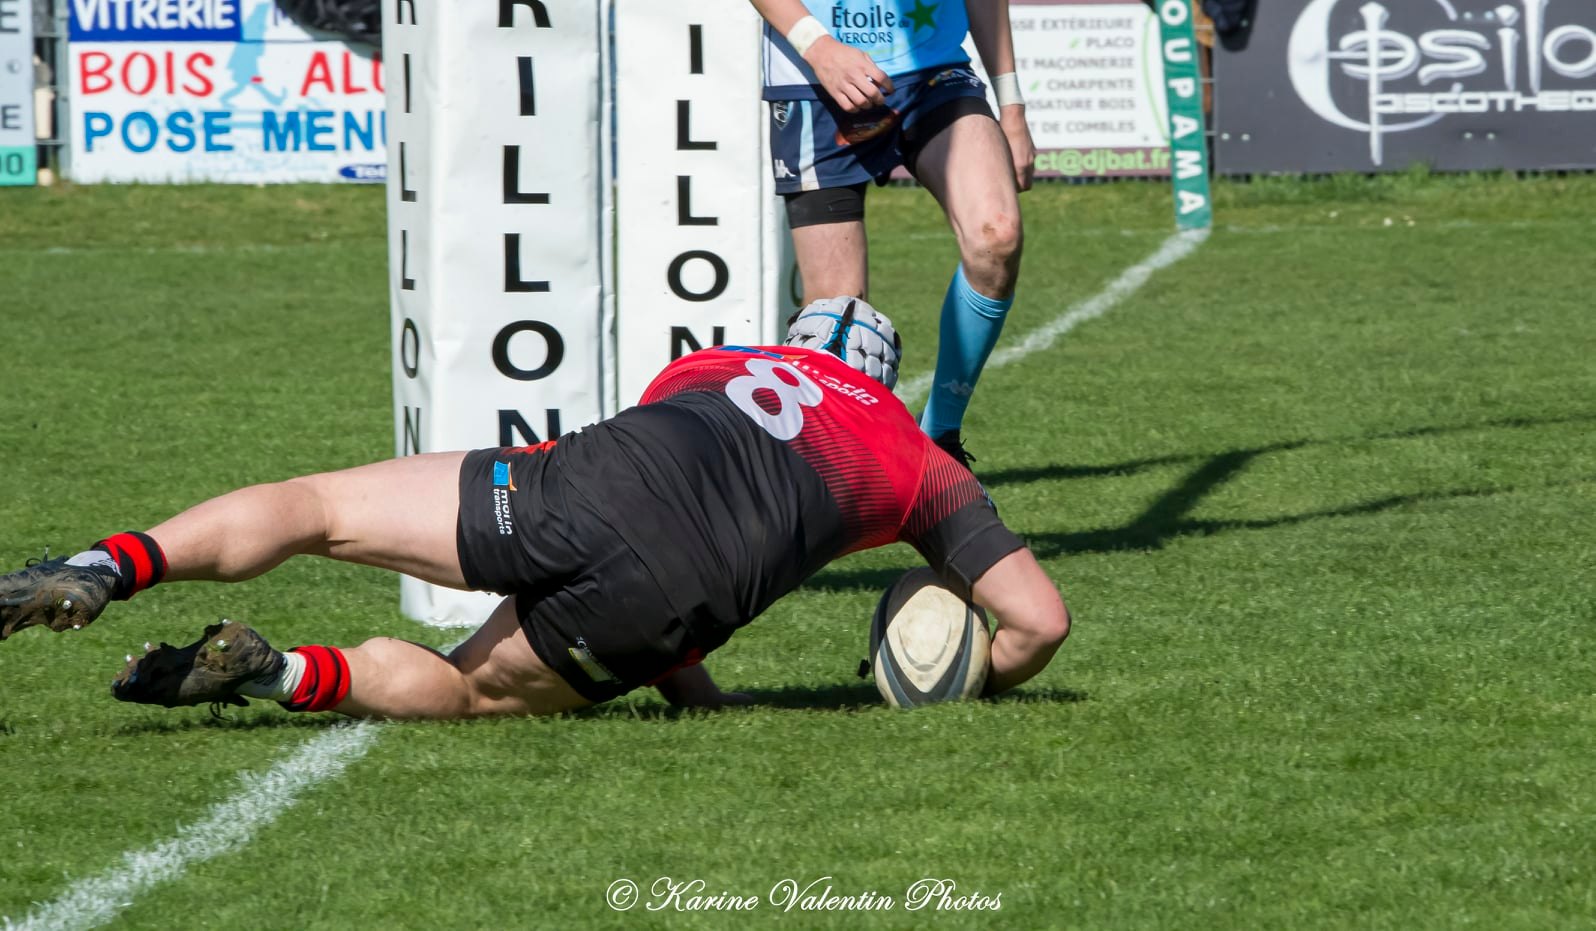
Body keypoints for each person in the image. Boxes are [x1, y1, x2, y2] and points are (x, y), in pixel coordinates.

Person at [0, 300, 1069, 719]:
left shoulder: (719, 359)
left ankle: (103, 564)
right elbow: (1040, 622)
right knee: (465, 694)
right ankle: (277, 671)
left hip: (577, 485)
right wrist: (961, 680)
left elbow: (669, 484)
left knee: (314, 503)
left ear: (794, 342)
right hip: (668, 596)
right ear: (883, 378)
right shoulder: (919, 458)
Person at [753, 0, 1035, 466]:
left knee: (996, 235)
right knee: (835, 321)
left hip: (935, 73)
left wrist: (1012, 108)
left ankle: (939, 440)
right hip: (814, 79)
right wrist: (817, 45)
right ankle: (830, 486)